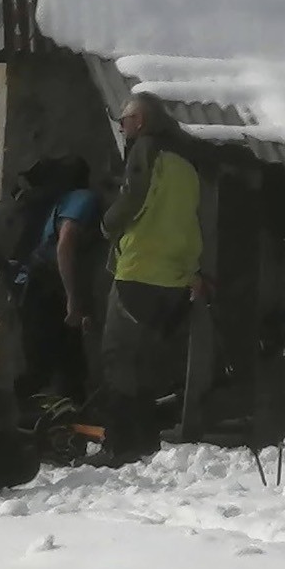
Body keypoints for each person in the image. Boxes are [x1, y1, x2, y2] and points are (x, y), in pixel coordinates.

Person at [98, 92, 204, 465]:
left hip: (139, 268)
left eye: (125, 121)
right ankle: (146, 441)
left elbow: (133, 196)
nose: (123, 128)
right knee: (147, 361)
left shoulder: (146, 149)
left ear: (140, 121)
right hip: (175, 275)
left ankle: (120, 445)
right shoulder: (188, 160)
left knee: (118, 356)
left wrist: (107, 224)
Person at [12, 156, 100, 409]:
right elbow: (66, 244)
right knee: (45, 367)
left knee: (67, 365)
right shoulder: (83, 199)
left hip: (40, 285)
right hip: (46, 287)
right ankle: (14, 423)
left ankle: (68, 428)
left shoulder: (60, 202)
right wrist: (73, 299)